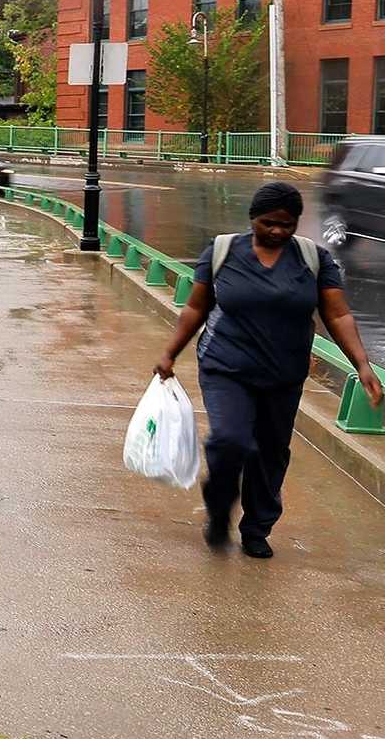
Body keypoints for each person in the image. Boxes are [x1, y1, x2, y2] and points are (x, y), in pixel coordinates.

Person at [156, 181, 383, 557]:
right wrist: (169, 354)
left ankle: (257, 527)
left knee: (270, 452)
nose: (277, 230)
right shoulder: (224, 251)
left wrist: (361, 364)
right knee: (230, 440)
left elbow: (338, 314)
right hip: (225, 365)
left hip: (284, 372)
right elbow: (196, 308)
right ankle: (218, 508)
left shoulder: (313, 259)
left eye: (287, 224)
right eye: (268, 223)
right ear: (253, 220)